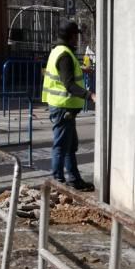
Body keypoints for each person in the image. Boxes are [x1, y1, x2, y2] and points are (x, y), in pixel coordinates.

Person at [41, 22, 95, 191]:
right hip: (63, 107)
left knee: (70, 146)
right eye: (76, 35)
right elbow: (69, 84)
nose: (77, 38)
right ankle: (58, 181)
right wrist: (90, 95)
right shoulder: (64, 55)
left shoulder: (57, 51)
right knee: (61, 146)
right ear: (71, 36)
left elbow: (64, 74)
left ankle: (74, 179)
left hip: (63, 107)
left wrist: (81, 71)